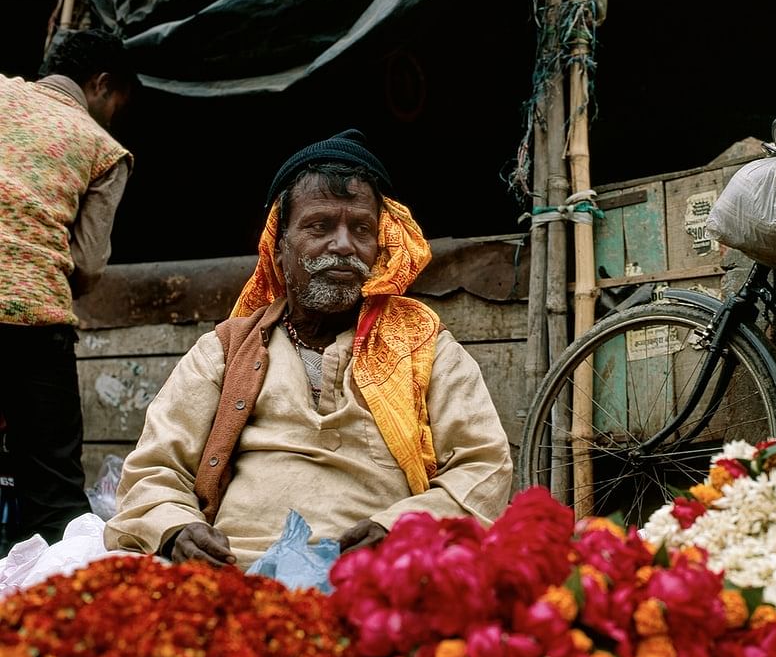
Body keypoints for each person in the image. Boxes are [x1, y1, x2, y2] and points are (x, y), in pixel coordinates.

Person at [104, 130, 513, 569]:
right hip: (233, 572)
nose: (343, 245)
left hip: (375, 577)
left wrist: (398, 530)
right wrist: (177, 530)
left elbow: (483, 465)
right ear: (279, 249)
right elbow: (153, 470)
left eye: (361, 229)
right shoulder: (225, 349)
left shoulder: (424, 345)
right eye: (319, 227)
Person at [0, 28, 137, 557]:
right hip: (36, 328)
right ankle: (56, 614)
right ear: (102, 85)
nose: (113, 116)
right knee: (54, 495)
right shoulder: (104, 148)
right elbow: (87, 263)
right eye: (117, 103)